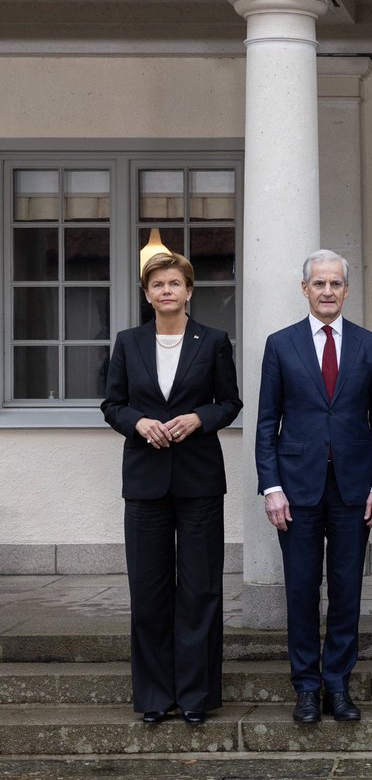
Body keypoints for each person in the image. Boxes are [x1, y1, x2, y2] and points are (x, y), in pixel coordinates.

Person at [101, 250, 242, 726]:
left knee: (201, 589)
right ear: (147, 294)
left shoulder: (214, 341)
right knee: (148, 590)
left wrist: (199, 417)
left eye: (174, 283)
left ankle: (197, 695)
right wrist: (138, 422)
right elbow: (112, 404)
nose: (166, 291)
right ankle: (156, 696)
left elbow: (229, 402)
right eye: (157, 284)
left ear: (189, 290)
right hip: (145, 482)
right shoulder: (128, 342)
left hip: (199, 480)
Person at [256, 249, 372, 724]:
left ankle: (337, 683)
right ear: (305, 289)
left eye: (336, 283)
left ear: (347, 290)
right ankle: (306, 687)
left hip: (354, 489)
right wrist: (271, 487)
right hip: (296, 490)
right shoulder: (280, 345)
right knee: (301, 589)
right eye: (320, 283)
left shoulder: (369, 345)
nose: (328, 291)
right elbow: (266, 423)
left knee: (347, 589)